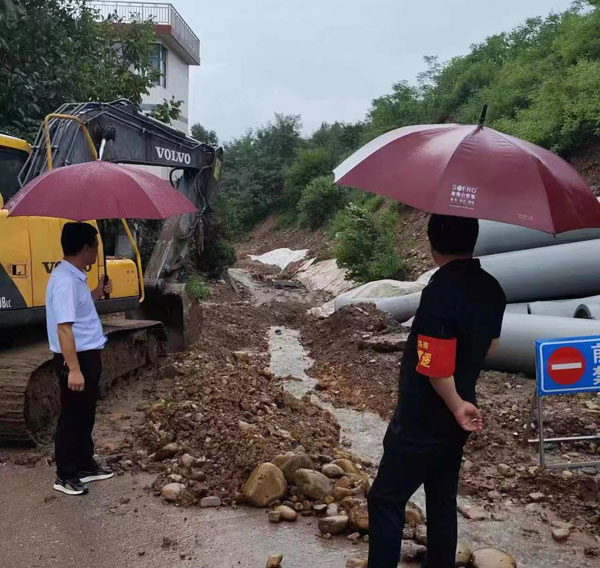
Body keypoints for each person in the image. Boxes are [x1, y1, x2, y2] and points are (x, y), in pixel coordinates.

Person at [367, 214, 506, 568]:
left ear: (432, 246)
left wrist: (456, 403)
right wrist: (461, 403)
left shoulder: (440, 290)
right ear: (472, 242)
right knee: (441, 496)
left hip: (423, 417)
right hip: (456, 420)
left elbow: (434, 365)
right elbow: (490, 348)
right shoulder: (492, 288)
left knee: (386, 498)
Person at [46, 222, 114, 496]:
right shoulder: (64, 282)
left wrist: (97, 291)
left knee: (85, 413)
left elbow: (80, 309)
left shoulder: (74, 277)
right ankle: (65, 474)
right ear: (86, 248)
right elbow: (64, 327)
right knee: (72, 416)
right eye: (96, 246)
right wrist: (73, 368)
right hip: (76, 358)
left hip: (87, 355)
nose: (98, 251)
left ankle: (84, 464)